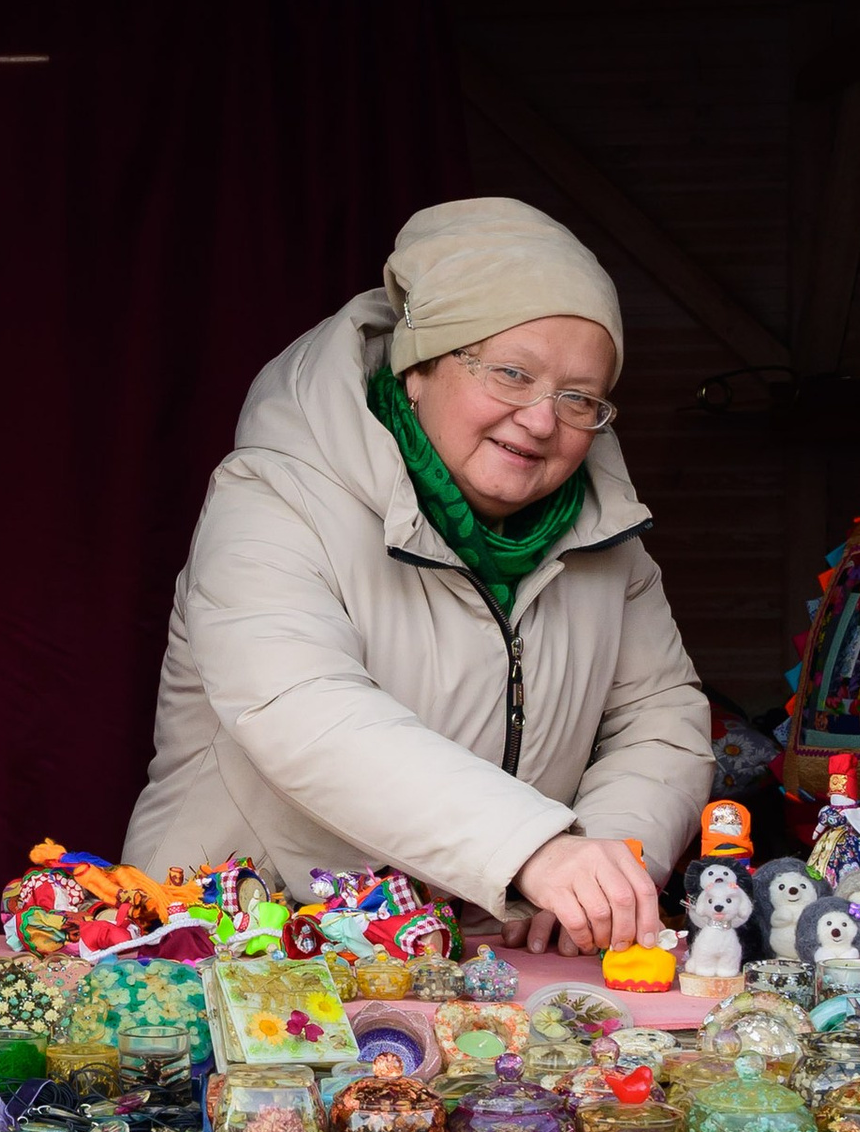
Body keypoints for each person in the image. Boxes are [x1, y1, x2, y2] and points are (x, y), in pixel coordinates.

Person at [125, 197, 713, 951]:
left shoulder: (607, 535)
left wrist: (598, 863)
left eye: (579, 398)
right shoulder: (273, 496)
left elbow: (661, 718)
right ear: (420, 367)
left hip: (479, 964)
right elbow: (302, 708)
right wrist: (531, 848)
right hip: (248, 949)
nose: (541, 419)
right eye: (510, 374)